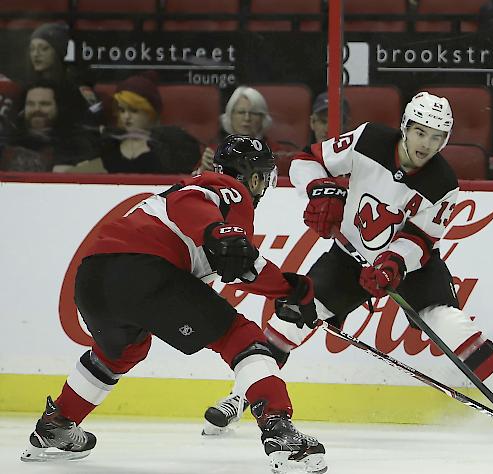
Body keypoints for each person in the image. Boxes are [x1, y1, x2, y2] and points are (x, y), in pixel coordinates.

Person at [203, 92, 493, 443]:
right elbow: (306, 161)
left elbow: (423, 238)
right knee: (290, 317)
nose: (427, 144)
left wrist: (393, 262)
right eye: (421, 132)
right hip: (348, 258)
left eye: (437, 136)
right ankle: (243, 396)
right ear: (405, 127)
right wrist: (320, 190)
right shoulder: (370, 139)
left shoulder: (443, 183)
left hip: (411, 266)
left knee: (448, 322)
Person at [20, 135, 327, 474]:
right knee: (240, 337)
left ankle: (56, 426)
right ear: (253, 177)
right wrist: (290, 289)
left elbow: (224, 268)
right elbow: (228, 246)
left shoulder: (188, 197)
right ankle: (280, 432)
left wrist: (286, 290)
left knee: (122, 351)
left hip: (92, 277)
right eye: (263, 178)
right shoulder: (227, 190)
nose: (261, 188)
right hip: (143, 269)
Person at [88, 72, 199, 174]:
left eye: (134, 110)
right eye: (122, 110)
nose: (126, 117)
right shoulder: (108, 146)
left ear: (151, 112)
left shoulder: (169, 149)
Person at [0, 80, 95, 171]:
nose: (36, 109)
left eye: (44, 104)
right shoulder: (9, 141)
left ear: (59, 107)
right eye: (30, 104)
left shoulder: (77, 145)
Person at [24, 22, 102, 127]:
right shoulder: (29, 88)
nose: (36, 54)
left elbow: (94, 121)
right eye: (32, 49)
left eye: (44, 48)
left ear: (59, 51)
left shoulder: (78, 89)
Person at [196, 86, 283, 174]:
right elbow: (193, 179)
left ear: (263, 118)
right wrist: (204, 169)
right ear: (230, 116)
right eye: (241, 112)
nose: (247, 118)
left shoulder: (275, 151)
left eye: (253, 113)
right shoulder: (216, 150)